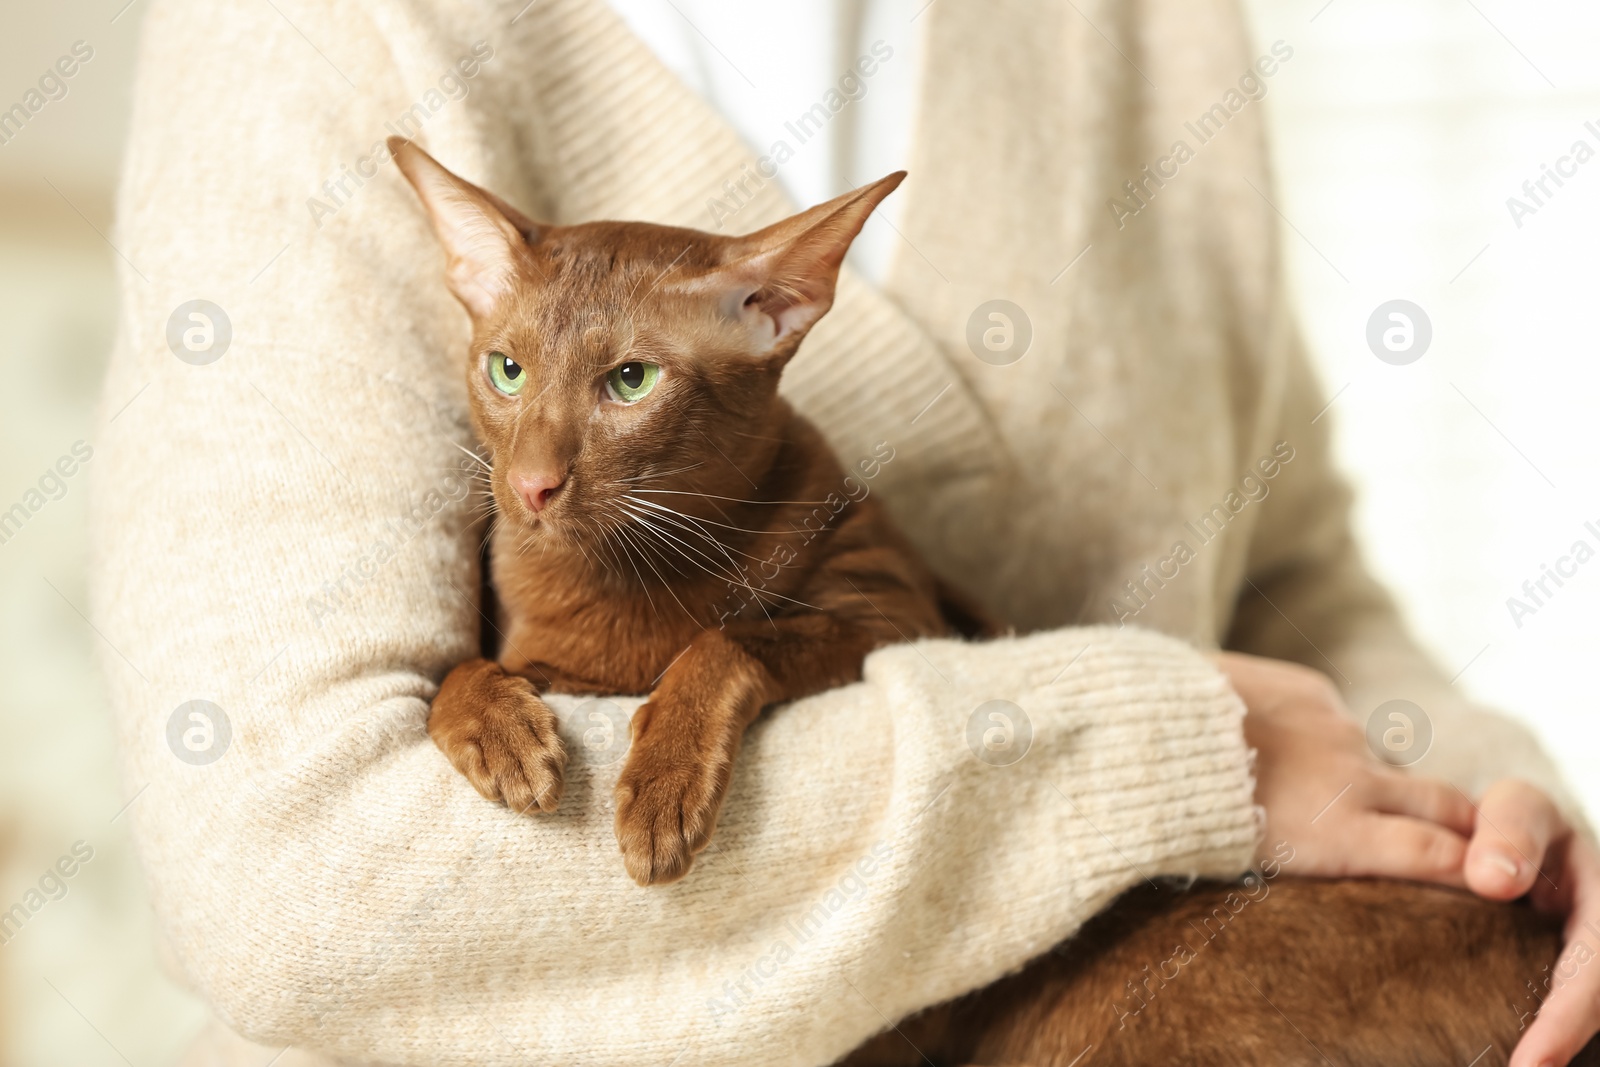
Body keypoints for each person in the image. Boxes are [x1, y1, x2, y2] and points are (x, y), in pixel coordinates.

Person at [92, 1, 1596, 1065]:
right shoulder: (308, 31)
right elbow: (290, 881)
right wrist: (1147, 759)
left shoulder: (1153, 22)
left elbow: (1291, 577)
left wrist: (1498, 810)